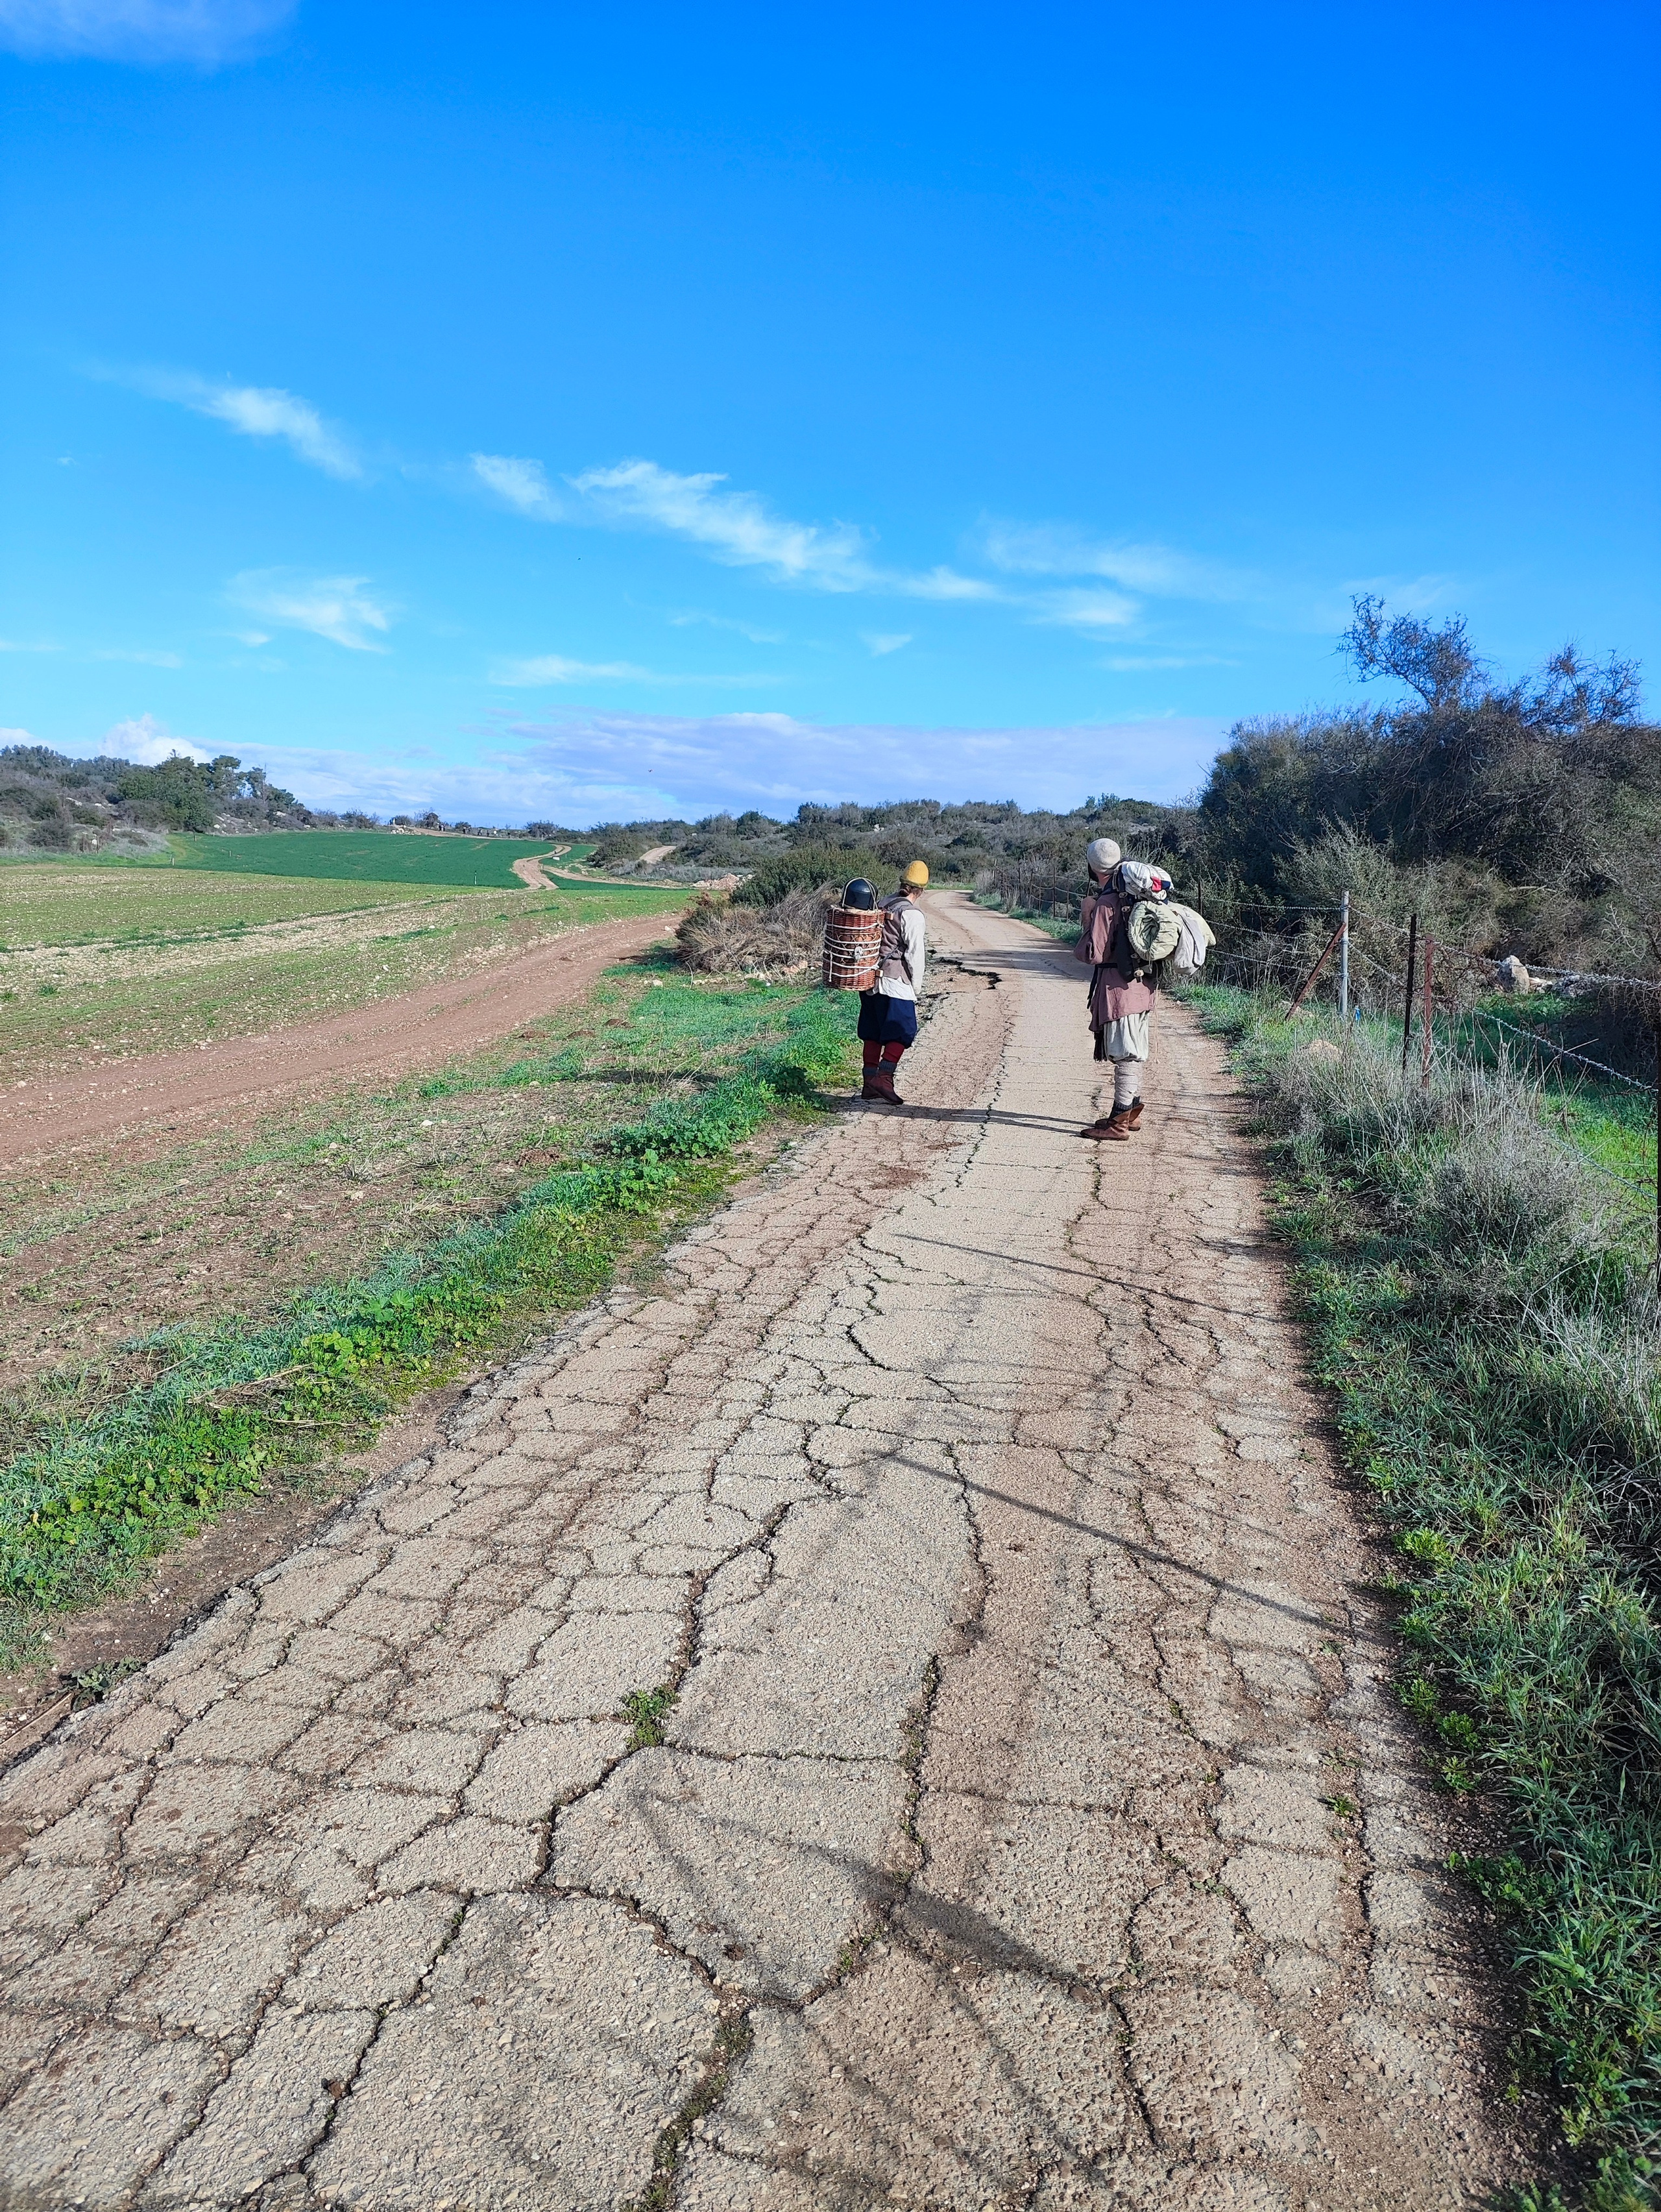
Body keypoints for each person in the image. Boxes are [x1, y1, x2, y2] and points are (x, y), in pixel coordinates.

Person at [1074, 836, 1156, 1141]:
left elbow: (1093, 953)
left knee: (1126, 1053)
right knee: (1134, 1049)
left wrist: (1088, 916)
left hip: (1118, 987)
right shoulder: (1137, 896)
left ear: (1093, 867)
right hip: (1143, 983)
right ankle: (1130, 1113)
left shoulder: (1107, 902)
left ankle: (1119, 1123)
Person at [859, 861, 928, 1104]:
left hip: (868, 978)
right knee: (903, 1031)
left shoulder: (883, 904)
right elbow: (915, 955)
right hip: (895, 982)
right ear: (921, 890)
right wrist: (916, 987)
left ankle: (869, 1084)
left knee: (873, 1032)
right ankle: (883, 1078)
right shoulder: (911, 914)